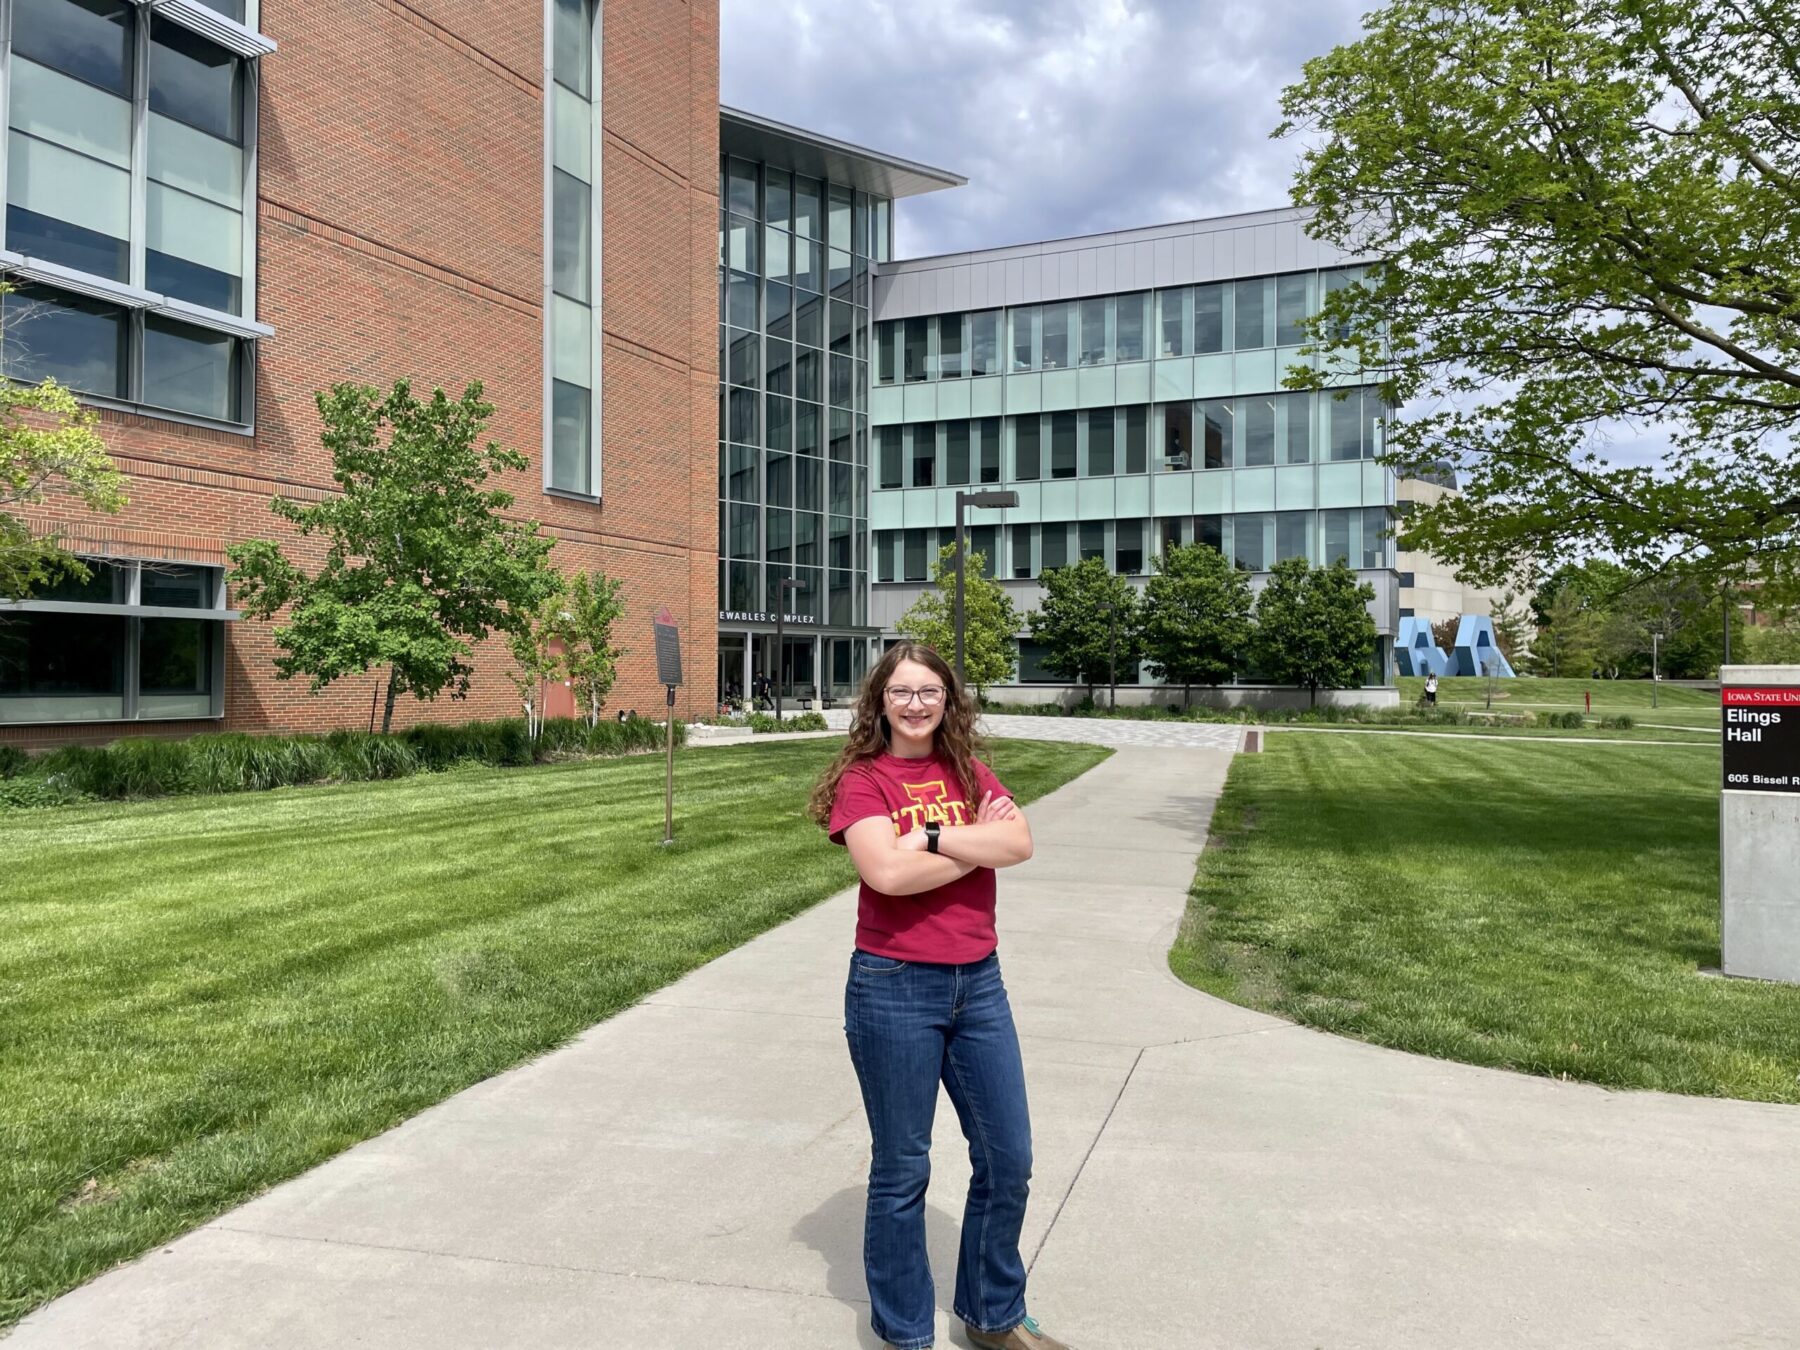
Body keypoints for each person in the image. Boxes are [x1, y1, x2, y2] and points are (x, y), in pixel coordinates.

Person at [808, 641, 1072, 1350]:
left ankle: (993, 1316)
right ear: (880, 702)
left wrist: (924, 836)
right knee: (902, 1169)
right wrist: (969, 841)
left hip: (979, 983)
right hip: (894, 985)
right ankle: (904, 1334)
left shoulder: (967, 770)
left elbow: (1019, 845)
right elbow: (884, 878)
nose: (917, 703)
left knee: (1008, 1156)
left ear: (949, 701)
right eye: (902, 692)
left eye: (930, 691)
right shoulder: (863, 782)